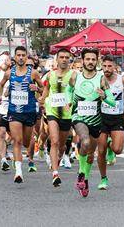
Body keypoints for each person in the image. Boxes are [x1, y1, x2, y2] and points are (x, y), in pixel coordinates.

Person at [70, 48, 116, 198]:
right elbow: (68, 91)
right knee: (85, 141)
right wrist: (68, 102)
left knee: (90, 154)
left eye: (93, 59)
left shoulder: (101, 79)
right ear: (82, 60)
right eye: (87, 59)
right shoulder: (75, 76)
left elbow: (112, 102)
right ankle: (81, 173)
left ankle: (85, 178)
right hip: (79, 116)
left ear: (97, 61)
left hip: (96, 120)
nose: (90, 62)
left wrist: (104, 96)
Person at [0, 46, 43, 183]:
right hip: (14, 111)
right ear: (15, 57)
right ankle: (18, 171)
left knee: (26, 141)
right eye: (19, 55)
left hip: (29, 111)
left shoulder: (33, 73)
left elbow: (43, 88)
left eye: (24, 55)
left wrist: (37, 89)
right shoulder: (9, 73)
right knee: (17, 140)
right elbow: (0, 85)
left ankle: (21, 159)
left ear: (27, 57)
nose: (21, 57)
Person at [39, 48, 74, 187]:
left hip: (67, 113)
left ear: (70, 60)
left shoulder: (74, 75)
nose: (64, 59)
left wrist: (71, 102)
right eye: (62, 57)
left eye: (67, 57)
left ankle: (59, 157)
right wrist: (41, 99)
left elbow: (77, 92)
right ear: (57, 59)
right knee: (54, 140)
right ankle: (55, 173)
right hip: (52, 111)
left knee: (61, 144)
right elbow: (46, 91)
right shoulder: (50, 75)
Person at [96, 55, 124, 190]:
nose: (107, 69)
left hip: (117, 117)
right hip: (101, 117)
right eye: (104, 66)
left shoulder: (122, 80)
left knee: (118, 149)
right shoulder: (98, 79)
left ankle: (111, 147)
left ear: (115, 67)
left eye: (109, 66)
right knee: (100, 150)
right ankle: (103, 178)